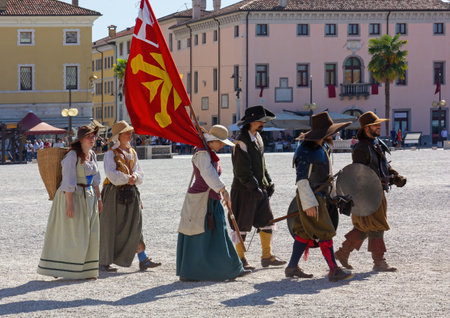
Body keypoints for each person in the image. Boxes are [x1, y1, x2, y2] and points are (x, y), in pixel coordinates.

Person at [285, 112, 353, 282]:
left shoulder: (323, 146)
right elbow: (301, 179)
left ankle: (292, 267)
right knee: (325, 231)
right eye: (331, 132)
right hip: (312, 198)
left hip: (321, 196)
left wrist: (334, 195)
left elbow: (327, 176)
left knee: (303, 232)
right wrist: (309, 204)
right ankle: (334, 270)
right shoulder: (305, 151)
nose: (333, 135)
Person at [335, 111, 407, 272]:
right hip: (367, 194)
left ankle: (343, 252)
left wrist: (395, 176)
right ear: (367, 127)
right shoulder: (361, 147)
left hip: (378, 191)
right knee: (376, 225)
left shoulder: (377, 143)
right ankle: (379, 261)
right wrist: (377, 182)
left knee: (365, 226)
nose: (379, 126)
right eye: (376, 124)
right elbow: (359, 173)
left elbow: (384, 165)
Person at [177, 125, 250, 281]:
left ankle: (233, 267)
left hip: (211, 199)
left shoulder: (209, 153)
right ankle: (191, 272)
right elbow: (208, 175)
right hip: (201, 200)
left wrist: (222, 190)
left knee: (219, 233)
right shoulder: (202, 153)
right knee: (198, 235)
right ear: (213, 140)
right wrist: (223, 190)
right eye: (221, 142)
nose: (223, 145)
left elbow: (213, 176)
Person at [37, 125, 102, 280]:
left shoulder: (92, 154)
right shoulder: (72, 156)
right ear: (80, 139)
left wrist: (99, 199)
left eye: (93, 136)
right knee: (70, 234)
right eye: (89, 136)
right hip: (72, 196)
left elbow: (96, 180)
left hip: (89, 196)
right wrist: (70, 204)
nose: (92, 139)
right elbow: (68, 181)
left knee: (90, 232)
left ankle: (87, 269)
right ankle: (59, 267)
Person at [99, 121, 161, 272]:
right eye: (126, 132)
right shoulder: (110, 153)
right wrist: (129, 178)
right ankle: (104, 261)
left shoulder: (132, 152)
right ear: (118, 136)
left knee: (136, 223)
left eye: (130, 132)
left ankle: (143, 258)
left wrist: (135, 177)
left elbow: (140, 172)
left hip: (131, 191)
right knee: (109, 226)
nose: (130, 134)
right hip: (113, 192)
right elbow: (111, 174)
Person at [230, 105, 286, 270]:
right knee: (242, 225)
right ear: (251, 122)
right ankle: (240, 259)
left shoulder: (258, 137)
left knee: (266, 221)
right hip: (244, 190)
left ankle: (267, 256)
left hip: (259, 189)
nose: (263, 123)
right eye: (261, 121)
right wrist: (254, 188)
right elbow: (241, 171)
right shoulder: (241, 141)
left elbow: (262, 164)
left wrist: (268, 182)